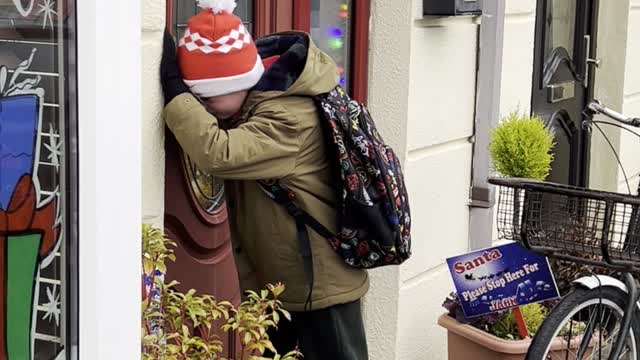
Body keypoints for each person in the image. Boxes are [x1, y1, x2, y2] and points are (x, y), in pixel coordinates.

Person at [159, 1, 369, 359]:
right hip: (288, 281)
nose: (203, 107)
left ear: (239, 83)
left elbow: (219, 153)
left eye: (207, 97)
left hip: (321, 288)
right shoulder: (261, 100)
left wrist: (177, 94)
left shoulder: (288, 117)